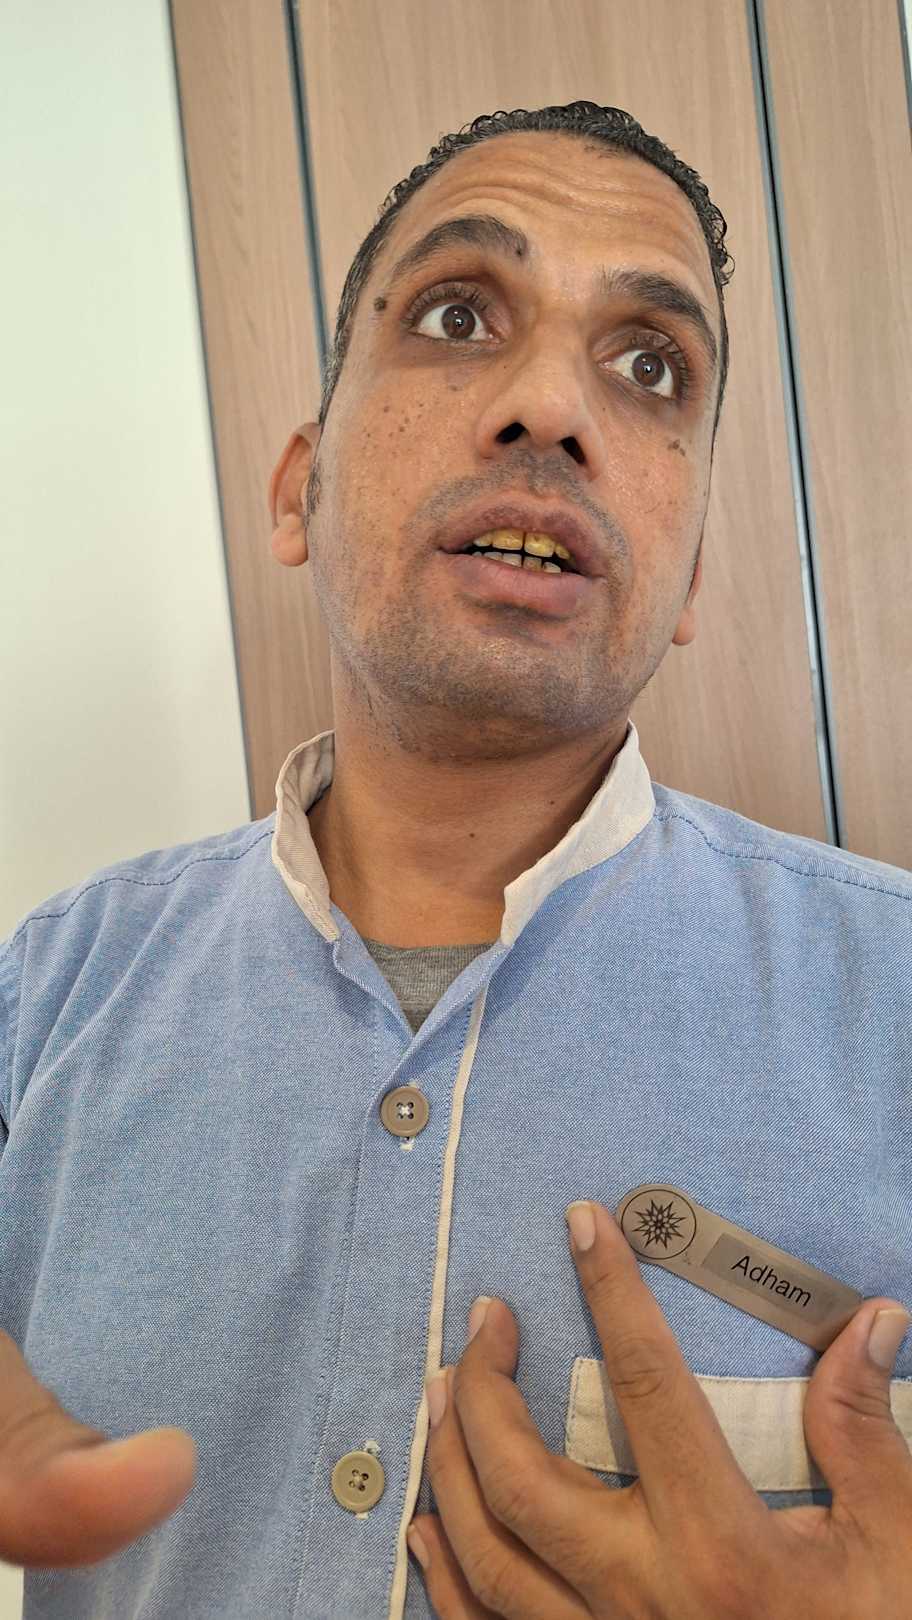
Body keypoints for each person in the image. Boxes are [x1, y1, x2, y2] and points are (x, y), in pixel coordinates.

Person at [0, 101, 909, 1620]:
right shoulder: (46, 995)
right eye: (456, 315)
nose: (550, 405)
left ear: (689, 574)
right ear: (296, 490)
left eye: (649, 364)